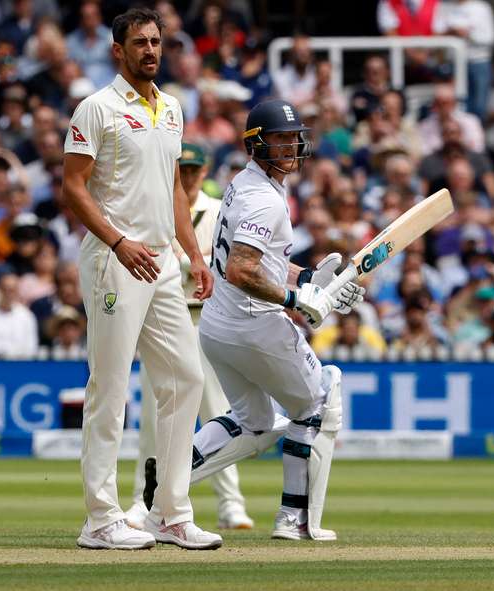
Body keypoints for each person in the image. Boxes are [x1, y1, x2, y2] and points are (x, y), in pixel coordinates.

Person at [144, 99, 365, 542]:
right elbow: (241, 269)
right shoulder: (266, 200)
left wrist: (309, 277)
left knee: (255, 423)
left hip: (218, 328)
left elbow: (257, 261)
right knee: (320, 400)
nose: (289, 146)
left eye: (292, 138)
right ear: (255, 144)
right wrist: (295, 299)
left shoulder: (242, 185)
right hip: (254, 325)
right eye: (278, 139)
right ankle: (295, 520)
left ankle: (167, 489)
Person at [62, 8, 219, 551]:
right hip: (115, 259)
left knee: (185, 379)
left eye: (156, 42)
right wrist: (118, 242)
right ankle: (100, 519)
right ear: (118, 49)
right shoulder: (97, 108)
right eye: (140, 43)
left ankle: (169, 513)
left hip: (161, 261)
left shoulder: (171, 108)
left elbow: (175, 189)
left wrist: (194, 254)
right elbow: (73, 187)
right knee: (109, 387)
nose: (151, 51)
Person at [125, 143, 253, 531]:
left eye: (195, 170)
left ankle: (231, 503)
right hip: (162, 316)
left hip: (205, 317)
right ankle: (139, 500)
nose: (189, 177)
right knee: (154, 414)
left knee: (214, 410)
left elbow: (229, 261)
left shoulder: (217, 212)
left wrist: (190, 264)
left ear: (205, 170)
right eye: (183, 170)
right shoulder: (154, 208)